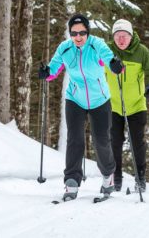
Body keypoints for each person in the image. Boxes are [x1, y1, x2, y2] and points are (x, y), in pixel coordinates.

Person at [38, 14, 124, 201]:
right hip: (75, 98)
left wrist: (115, 65)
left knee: (101, 141)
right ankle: (71, 181)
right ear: (70, 34)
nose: (78, 37)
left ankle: (108, 175)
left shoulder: (97, 44)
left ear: (88, 32)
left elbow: (109, 58)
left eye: (82, 33)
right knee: (74, 139)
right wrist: (46, 73)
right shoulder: (65, 48)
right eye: (74, 33)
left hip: (99, 99)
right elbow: (54, 69)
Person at [105, 19, 149, 193]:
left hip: (136, 105)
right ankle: (117, 179)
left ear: (131, 36)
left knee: (137, 143)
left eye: (124, 36)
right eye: (117, 36)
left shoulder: (141, 51)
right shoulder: (106, 51)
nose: (121, 40)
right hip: (113, 106)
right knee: (115, 143)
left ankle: (140, 178)